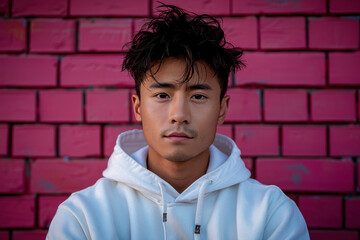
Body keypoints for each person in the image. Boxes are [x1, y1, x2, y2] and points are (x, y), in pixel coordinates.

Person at [47, 4, 309, 240]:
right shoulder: (84, 217)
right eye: (162, 95)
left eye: (198, 96)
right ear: (138, 107)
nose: (179, 114)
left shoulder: (270, 214)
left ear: (222, 108)